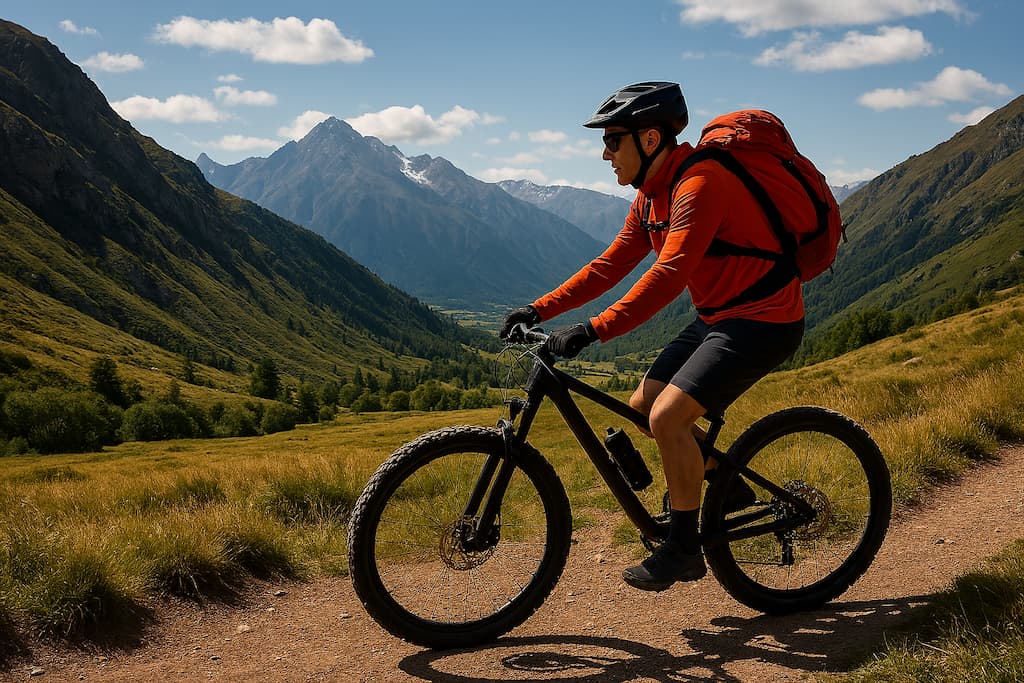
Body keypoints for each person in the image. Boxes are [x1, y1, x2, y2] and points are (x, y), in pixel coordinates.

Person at [499, 82, 805, 592]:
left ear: (648, 138)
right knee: (640, 409)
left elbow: (669, 274)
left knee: (669, 417)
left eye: (612, 140)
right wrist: (538, 308)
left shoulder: (700, 184)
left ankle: (685, 549)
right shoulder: (649, 197)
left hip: (764, 319)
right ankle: (728, 490)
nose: (605, 153)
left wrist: (592, 329)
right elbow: (608, 266)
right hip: (718, 316)